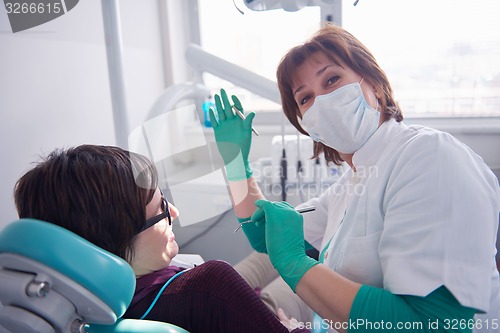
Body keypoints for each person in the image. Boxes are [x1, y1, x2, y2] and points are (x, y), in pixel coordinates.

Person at [210, 23, 500, 332]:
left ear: (374, 84)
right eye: (305, 98)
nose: (321, 101)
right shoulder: (348, 186)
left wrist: (297, 264)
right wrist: (235, 161)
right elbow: (265, 235)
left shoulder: (431, 158)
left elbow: (435, 324)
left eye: (332, 79)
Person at [13, 144, 310, 333]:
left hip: (198, 295)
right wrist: (290, 328)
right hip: (247, 311)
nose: (175, 213)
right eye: (160, 211)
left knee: (274, 250)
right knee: (312, 256)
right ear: (117, 234)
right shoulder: (212, 284)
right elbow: (216, 295)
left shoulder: (68, 301)